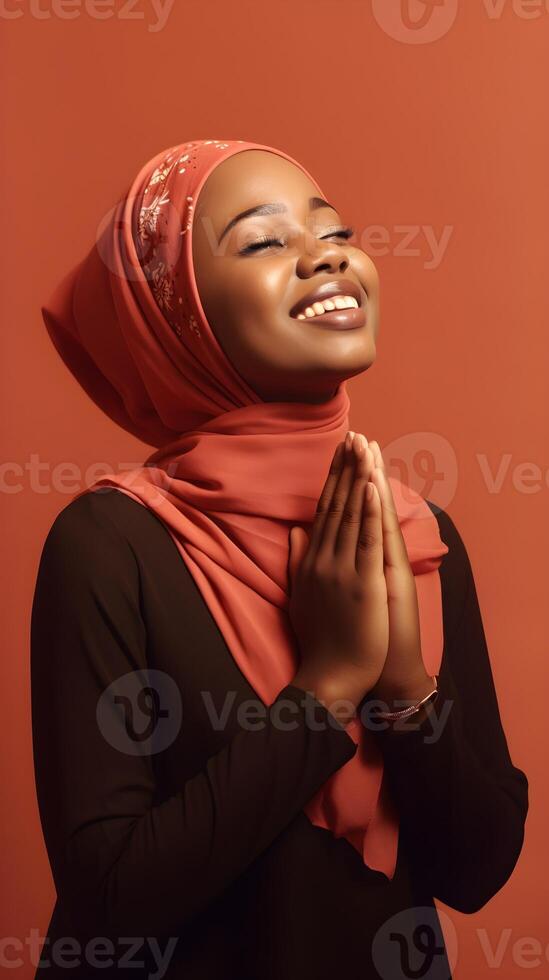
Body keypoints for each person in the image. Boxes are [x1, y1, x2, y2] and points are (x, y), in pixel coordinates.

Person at [31, 138, 528, 979]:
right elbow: (110, 899)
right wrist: (327, 685)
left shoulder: (414, 533)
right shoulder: (110, 544)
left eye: (333, 230)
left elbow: (476, 871)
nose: (323, 255)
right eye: (264, 242)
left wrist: (405, 691)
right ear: (174, 315)